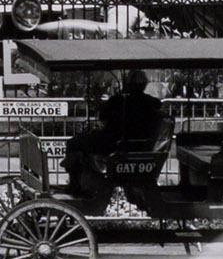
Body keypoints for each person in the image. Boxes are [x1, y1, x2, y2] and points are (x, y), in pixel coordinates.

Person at [66, 69, 162, 198]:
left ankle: (75, 185)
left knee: (73, 143)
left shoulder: (119, 100)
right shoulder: (150, 103)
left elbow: (103, 116)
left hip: (114, 143)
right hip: (133, 144)